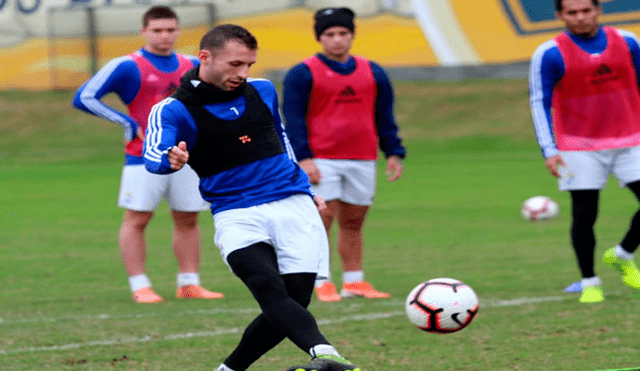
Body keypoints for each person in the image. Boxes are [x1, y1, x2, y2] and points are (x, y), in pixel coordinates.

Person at [143, 24, 360, 371]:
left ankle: (228, 370)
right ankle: (326, 353)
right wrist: (169, 160)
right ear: (205, 57)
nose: (243, 73)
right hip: (236, 211)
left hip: (293, 203)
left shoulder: (262, 90)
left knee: (296, 299)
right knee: (266, 285)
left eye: (249, 64)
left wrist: (308, 191)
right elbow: (153, 154)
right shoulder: (172, 109)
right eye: (235, 64)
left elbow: (282, 139)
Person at [72, 6, 223, 303]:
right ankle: (140, 285)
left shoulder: (192, 64)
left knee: (188, 218)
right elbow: (84, 97)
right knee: (138, 219)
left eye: (170, 29)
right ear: (144, 31)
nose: (164, 36)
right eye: (157, 30)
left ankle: (189, 282)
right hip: (142, 158)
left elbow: (211, 101)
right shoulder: (128, 65)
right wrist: (127, 122)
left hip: (186, 157)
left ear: (178, 30)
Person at [282, 7, 406, 302]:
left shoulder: (373, 71)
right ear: (320, 37)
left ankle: (354, 281)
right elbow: (293, 119)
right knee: (322, 219)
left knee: (354, 221)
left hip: (362, 157)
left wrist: (393, 151)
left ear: (352, 35)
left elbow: (383, 115)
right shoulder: (302, 73)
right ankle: (321, 281)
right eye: (330, 34)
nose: (337, 40)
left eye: (343, 33)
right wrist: (304, 158)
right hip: (322, 158)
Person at [529, 0, 640, 303]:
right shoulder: (550, 53)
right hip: (578, 146)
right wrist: (549, 149)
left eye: (585, 10)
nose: (580, 18)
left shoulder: (629, 42)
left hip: (632, 139)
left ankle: (622, 254)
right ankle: (589, 281)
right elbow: (539, 101)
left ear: (598, 10)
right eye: (572, 12)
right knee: (585, 214)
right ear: (560, 15)